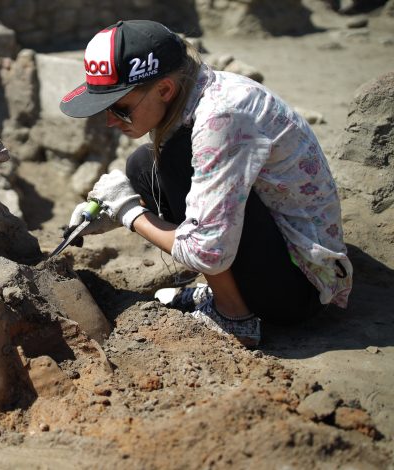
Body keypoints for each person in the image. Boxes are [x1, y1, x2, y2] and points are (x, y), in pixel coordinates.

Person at [59, 19, 352, 347]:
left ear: (165, 89)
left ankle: (234, 316)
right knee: (143, 165)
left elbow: (206, 252)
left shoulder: (220, 118)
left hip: (300, 288)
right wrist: (109, 214)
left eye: (121, 108)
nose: (111, 120)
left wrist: (127, 212)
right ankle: (226, 292)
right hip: (277, 254)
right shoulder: (193, 92)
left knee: (174, 158)